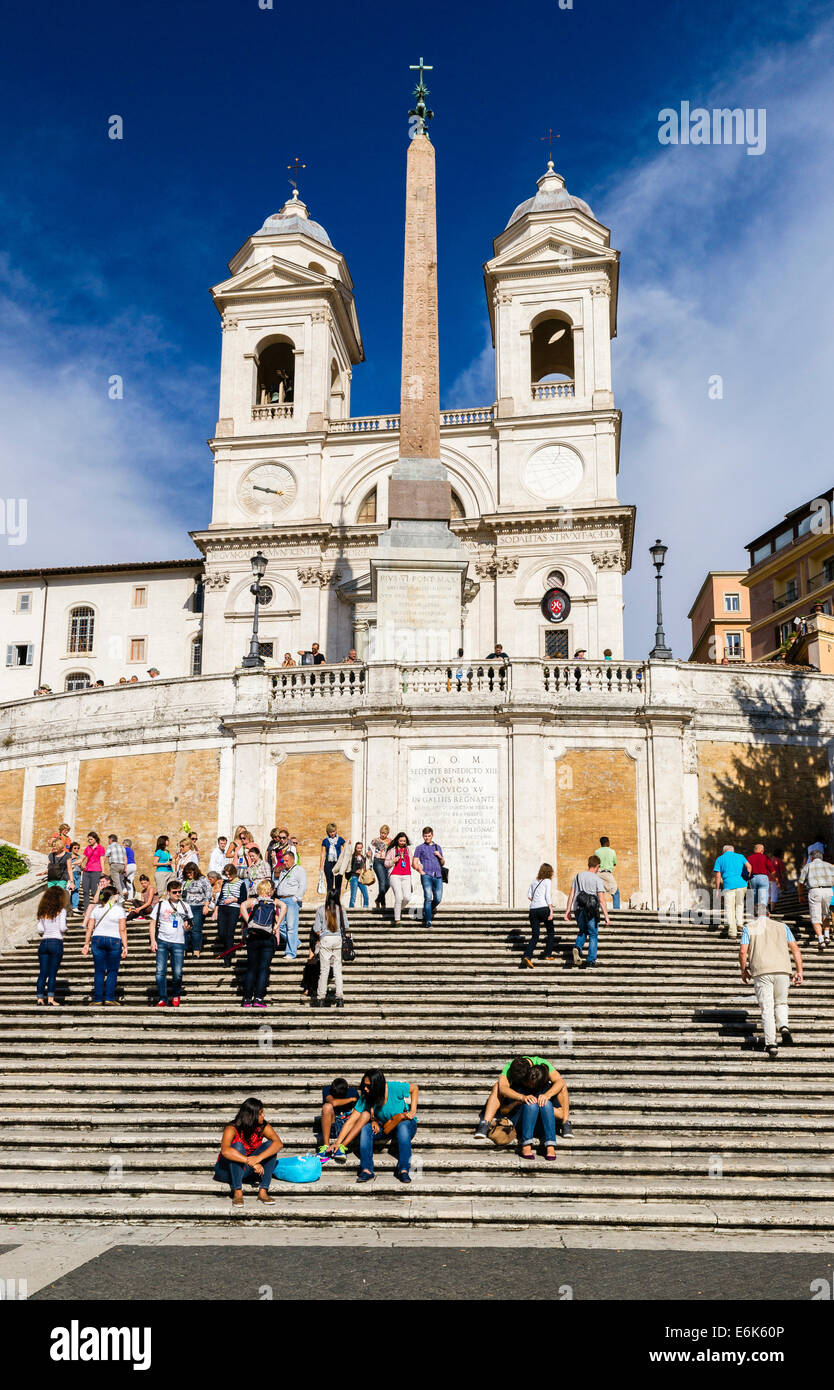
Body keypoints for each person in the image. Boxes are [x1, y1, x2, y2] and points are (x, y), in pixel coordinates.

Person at [327, 1070, 419, 1184]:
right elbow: (351, 1121)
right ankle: (367, 1169)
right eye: (364, 1085)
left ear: (378, 1085)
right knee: (366, 1128)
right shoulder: (367, 1096)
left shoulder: (394, 1087)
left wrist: (413, 1110)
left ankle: (404, 1169)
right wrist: (338, 1143)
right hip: (385, 1126)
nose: (365, 1088)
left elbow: (414, 1088)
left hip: (406, 1124)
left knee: (403, 1127)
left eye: (368, 1085)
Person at [739, 917, 803, 1060]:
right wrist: (799, 971)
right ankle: (784, 1026)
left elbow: (743, 951)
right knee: (781, 1002)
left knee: (767, 1007)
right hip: (783, 969)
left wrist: (743, 970)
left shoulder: (748, 927)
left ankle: (771, 1044)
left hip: (762, 971)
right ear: (768, 914)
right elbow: (795, 949)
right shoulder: (783, 926)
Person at [474, 1055, 572, 1143]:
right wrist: (521, 1098)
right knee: (497, 1086)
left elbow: (559, 1081)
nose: (521, 1082)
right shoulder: (510, 1067)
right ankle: (485, 1123)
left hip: (542, 1110)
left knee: (561, 1085)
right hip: (521, 1108)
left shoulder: (541, 1063)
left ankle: (565, 1122)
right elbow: (503, 1088)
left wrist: (547, 1095)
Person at [213, 1097, 283, 1206]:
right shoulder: (232, 1128)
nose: (263, 1116)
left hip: (246, 1169)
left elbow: (278, 1144)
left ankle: (263, 1191)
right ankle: (237, 1192)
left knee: (271, 1145)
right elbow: (226, 1151)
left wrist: (258, 1158)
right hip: (226, 1171)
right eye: (260, 1113)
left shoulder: (263, 1126)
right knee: (237, 1146)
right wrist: (251, 1162)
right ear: (251, 1116)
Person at [239, 880, 286, 1008]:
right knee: (263, 969)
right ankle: (258, 999)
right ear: (269, 890)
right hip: (267, 937)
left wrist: (249, 921)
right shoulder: (274, 901)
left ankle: (247, 999)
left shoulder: (255, 901)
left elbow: (242, 905)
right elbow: (284, 907)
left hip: (254, 937)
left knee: (251, 968)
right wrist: (277, 925)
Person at [81, 886, 128, 1005]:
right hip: (114, 939)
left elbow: (89, 928)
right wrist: (125, 946)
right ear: (113, 896)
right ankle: (109, 998)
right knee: (112, 971)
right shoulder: (119, 909)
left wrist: (86, 943)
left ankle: (97, 999)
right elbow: (122, 929)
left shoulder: (97, 909)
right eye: (117, 894)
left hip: (97, 939)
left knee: (99, 971)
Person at [149, 880, 192, 1008]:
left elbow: (189, 926)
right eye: (175, 892)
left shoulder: (185, 906)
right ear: (168, 892)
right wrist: (152, 941)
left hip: (178, 942)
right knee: (160, 971)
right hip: (162, 941)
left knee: (177, 972)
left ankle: (176, 994)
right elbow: (152, 923)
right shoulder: (160, 905)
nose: (178, 894)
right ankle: (163, 998)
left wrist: (188, 927)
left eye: (180, 892)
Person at [566, 854, 610, 968]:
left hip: (578, 908)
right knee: (593, 934)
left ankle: (577, 947)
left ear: (589, 864)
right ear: (598, 866)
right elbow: (601, 900)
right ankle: (591, 960)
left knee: (582, 930)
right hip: (591, 910)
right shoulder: (597, 879)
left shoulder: (577, 876)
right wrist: (606, 916)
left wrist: (568, 911)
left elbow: (571, 894)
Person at [312, 894, 347, 1008]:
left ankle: (321, 998)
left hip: (325, 939)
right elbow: (346, 926)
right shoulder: (341, 910)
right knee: (338, 970)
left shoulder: (321, 909)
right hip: (337, 939)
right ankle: (340, 998)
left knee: (324, 970)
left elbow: (316, 928)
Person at [36, 885, 68, 1006]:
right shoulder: (61, 911)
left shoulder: (42, 911)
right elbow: (62, 927)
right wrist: (66, 929)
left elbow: (40, 929)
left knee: (43, 972)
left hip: (44, 942)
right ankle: (50, 999)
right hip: (56, 941)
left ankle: (39, 998)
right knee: (53, 973)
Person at [712, 843, 752, 940]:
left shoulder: (720, 859)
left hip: (728, 885)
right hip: (742, 884)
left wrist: (717, 889)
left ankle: (732, 932)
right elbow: (749, 867)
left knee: (729, 908)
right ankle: (739, 923)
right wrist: (746, 879)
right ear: (733, 850)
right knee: (740, 904)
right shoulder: (740, 856)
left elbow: (718, 876)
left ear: (723, 851)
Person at [798, 849, 834, 951]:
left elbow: (801, 883)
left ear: (812, 858)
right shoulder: (829, 866)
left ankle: (821, 940)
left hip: (815, 891)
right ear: (821, 857)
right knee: (825, 913)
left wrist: (800, 895)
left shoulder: (808, 866)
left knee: (815, 916)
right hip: (828, 890)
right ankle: (827, 936)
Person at [317, 1077, 360, 1160]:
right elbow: (333, 1102)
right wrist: (351, 1099)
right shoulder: (327, 1090)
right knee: (327, 1106)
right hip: (334, 1125)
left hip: (348, 1127)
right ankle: (326, 1146)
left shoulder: (353, 1092)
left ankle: (340, 1147)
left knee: (358, 1113)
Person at [272, 851, 305, 960]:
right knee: (279, 925)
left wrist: (296, 898)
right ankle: (296, 942)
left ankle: (290, 953)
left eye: (287, 861)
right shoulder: (282, 870)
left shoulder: (299, 870)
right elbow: (275, 880)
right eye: (283, 861)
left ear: (293, 860)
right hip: (281, 900)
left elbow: (303, 885)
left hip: (291, 900)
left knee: (291, 927)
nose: (284, 863)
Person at [522, 863, 556, 968]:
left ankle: (527, 956)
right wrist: (551, 909)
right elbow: (547, 896)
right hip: (543, 909)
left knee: (535, 935)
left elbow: (529, 896)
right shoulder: (547, 881)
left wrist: (536, 901)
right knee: (550, 932)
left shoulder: (534, 882)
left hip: (533, 910)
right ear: (549, 872)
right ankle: (548, 954)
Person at [412, 826, 445, 928]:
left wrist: (439, 856)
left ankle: (426, 911)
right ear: (423, 836)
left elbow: (443, 863)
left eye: (429, 836)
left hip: (438, 875)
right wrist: (420, 871)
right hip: (426, 875)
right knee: (428, 897)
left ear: (432, 835)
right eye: (425, 836)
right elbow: (414, 863)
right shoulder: (419, 848)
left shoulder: (437, 847)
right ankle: (428, 920)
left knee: (438, 898)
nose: (427, 838)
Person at [181, 861, 212, 957]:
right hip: (184, 907)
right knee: (184, 929)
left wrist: (206, 905)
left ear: (195, 871)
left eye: (190, 872)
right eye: (187, 873)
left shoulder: (202, 880)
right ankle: (184, 950)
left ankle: (196, 951)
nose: (188, 874)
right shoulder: (183, 880)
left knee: (195, 929)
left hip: (197, 907)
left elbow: (208, 892)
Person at [216, 865, 247, 956]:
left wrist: (233, 899)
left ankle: (228, 956)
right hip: (222, 908)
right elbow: (221, 896)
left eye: (230, 875)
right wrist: (216, 910)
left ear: (234, 873)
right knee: (221, 933)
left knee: (229, 933)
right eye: (226, 875)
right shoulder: (225, 882)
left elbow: (243, 898)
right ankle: (230, 949)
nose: (228, 876)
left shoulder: (241, 883)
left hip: (234, 908)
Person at [385, 832, 416, 924]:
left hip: (406, 875)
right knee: (399, 897)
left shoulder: (408, 850)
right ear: (397, 840)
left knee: (407, 897)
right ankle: (397, 919)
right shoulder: (392, 850)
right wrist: (393, 861)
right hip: (395, 875)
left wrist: (419, 867)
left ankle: (397, 908)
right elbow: (386, 864)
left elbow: (413, 862)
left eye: (404, 841)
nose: (402, 842)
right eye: (401, 841)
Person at [80, 832, 106, 913]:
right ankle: (86, 910)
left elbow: (102, 860)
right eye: (89, 839)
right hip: (87, 871)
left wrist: (103, 871)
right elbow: (82, 858)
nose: (90, 841)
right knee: (85, 891)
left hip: (96, 871)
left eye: (91, 839)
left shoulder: (101, 848)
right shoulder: (88, 848)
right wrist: (79, 864)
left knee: (95, 891)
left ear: (95, 839)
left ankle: (99, 908)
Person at [746, 843, 774, 918]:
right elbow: (771, 869)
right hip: (763, 877)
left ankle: (755, 912)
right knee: (763, 895)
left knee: (754, 895)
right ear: (762, 850)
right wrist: (776, 879)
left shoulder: (749, 858)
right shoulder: (765, 857)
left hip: (753, 878)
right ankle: (763, 913)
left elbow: (746, 869)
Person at [320, 823, 346, 899]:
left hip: (338, 864)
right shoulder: (325, 841)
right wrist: (321, 866)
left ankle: (337, 902)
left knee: (338, 884)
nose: (332, 833)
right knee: (330, 884)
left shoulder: (340, 839)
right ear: (328, 832)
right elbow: (323, 854)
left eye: (333, 831)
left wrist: (348, 843)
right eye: (330, 832)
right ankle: (329, 902)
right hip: (328, 864)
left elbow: (347, 849)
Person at [596, 836, 620, 910]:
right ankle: (616, 910)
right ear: (607, 842)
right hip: (607, 873)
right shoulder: (612, 851)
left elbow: (595, 862)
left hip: (598, 873)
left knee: (599, 892)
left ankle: (599, 909)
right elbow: (615, 863)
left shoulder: (596, 851)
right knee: (615, 892)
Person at [369, 825, 391, 911]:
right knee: (382, 882)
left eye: (385, 833)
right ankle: (383, 904)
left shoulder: (390, 841)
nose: (383, 835)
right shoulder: (375, 841)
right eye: (382, 833)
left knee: (388, 884)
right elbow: (370, 849)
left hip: (387, 862)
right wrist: (369, 854)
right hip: (378, 861)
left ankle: (378, 900)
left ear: (387, 833)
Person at [347, 842, 371, 909]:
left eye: (360, 848)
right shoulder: (352, 857)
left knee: (366, 895)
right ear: (355, 848)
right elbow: (349, 867)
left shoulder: (363, 857)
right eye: (358, 848)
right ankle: (351, 909)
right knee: (353, 896)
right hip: (354, 877)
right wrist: (355, 871)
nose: (359, 849)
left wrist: (367, 857)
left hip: (361, 878)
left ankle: (365, 908)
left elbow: (365, 866)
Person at [768, 845, 788, 910]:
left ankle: (768, 909)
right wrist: (783, 883)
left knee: (769, 895)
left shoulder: (769, 860)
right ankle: (772, 910)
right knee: (774, 895)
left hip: (767, 879)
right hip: (775, 880)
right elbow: (782, 873)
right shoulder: (779, 861)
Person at [68, 841, 82, 912]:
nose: (76, 849)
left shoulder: (79, 856)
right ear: (71, 848)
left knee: (76, 889)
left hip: (78, 873)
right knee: (70, 889)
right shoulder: (68, 855)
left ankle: (74, 906)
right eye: (75, 848)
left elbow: (82, 866)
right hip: (72, 873)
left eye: (78, 848)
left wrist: (81, 865)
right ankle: (69, 905)